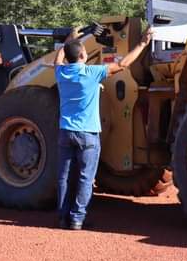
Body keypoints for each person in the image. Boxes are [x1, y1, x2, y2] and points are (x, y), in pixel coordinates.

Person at [53, 25, 153, 230]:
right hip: (87, 134)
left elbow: (59, 57)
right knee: (85, 177)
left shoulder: (61, 72)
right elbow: (123, 64)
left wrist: (70, 41)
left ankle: (63, 217)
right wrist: (142, 43)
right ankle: (78, 218)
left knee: (64, 175)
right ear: (82, 55)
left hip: (65, 132)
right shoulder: (92, 72)